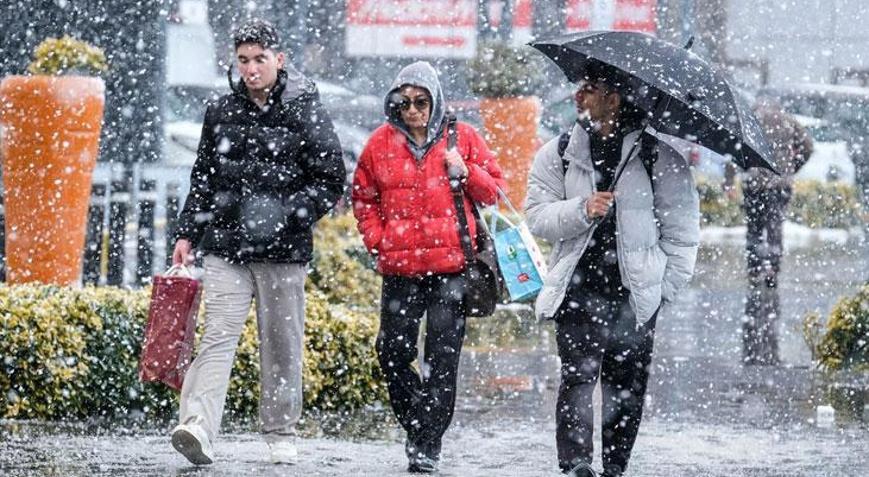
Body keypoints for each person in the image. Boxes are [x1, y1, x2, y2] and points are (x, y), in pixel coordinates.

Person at [169, 19, 345, 466]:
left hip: (283, 253)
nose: (251, 69)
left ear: (279, 60)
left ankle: (281, 431)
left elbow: (330, 179)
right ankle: (198, 425)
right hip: (226, 246)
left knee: (282, 343)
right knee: (216, 337)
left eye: (260, 59)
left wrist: (286, 215)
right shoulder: (220, 111)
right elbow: (203, 177)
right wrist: (187, 232)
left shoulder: (305, 109)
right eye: (243, 60)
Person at [525, 64, 700, 477]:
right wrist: (582, 209)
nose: (578, 95)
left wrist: (663, 289)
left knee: (626, 386)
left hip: (633, 294)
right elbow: (537, 216)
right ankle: (576, 464)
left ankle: (615, 466)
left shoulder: (659, 158)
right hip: (578, 288)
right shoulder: (559, 153)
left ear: (614, 98)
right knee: (578, 378)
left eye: (589, 89)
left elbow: (683, 233)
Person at [351, 61, 505, 474]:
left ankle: (426, 444)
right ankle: (420, 423)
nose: (413, 110)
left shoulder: (463, 138)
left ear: (435, 101)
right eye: (404, 103)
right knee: (392, 352)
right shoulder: (379, 144)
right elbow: (363, 197)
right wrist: (379, 239)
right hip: (400, 270)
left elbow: (494, 192)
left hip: (451, 270)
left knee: (443, 359)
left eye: (421, 102)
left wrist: (466, 171)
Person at [724, 98, 813, 365]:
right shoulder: (788, 121)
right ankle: (772, 268)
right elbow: (808, 147)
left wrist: (730, 179)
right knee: (775, 229)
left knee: (754, 229)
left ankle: (754, 269)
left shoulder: (749, 119)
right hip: (779, 183)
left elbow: (733, 150)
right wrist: (791, 168)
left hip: (755, 182)